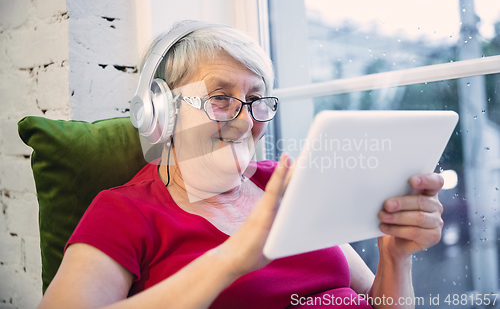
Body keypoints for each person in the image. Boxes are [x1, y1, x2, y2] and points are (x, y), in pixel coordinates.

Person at [37, 21, 444, 309]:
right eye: (220, 97)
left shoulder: (284, 185)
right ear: (162, 112)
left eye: (256, 99)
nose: (247, 120)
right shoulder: (125, 213)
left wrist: (394, 256)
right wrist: (230, 261)